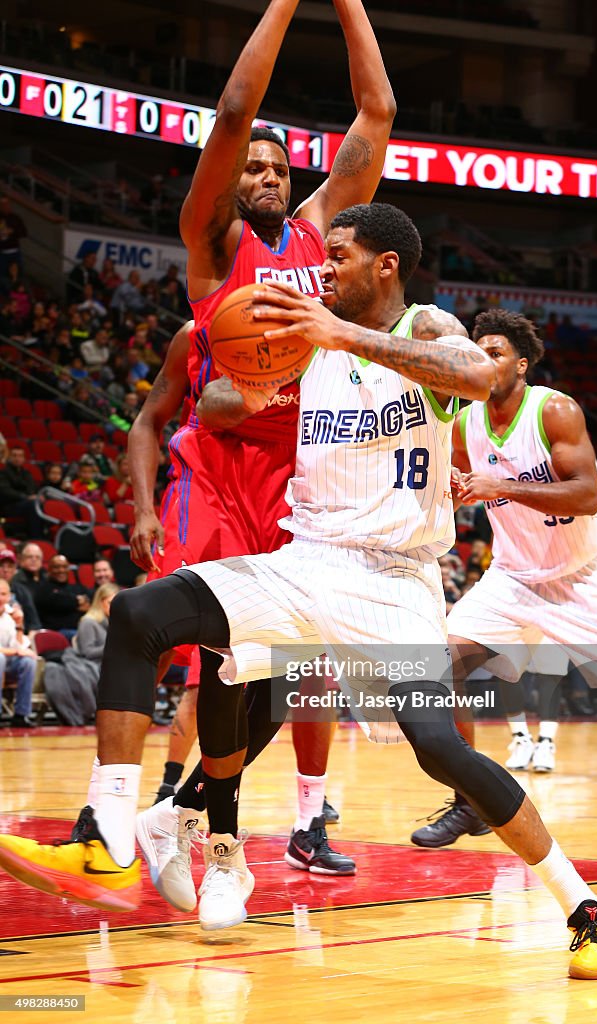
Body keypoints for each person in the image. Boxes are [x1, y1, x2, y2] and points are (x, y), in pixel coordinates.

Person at [0, 205, 597, 981]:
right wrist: (247, 373)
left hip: (395, 582)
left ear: (385, 266)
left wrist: (336, 336)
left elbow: (477, 376)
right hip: (305, 560)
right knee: (140, 612)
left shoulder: (429, 326)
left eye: (337, 257)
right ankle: (108, 837)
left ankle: (586, 908)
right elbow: (222, 404)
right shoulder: (311, 340)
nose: (322, 271)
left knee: (439, 749)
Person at [130, 0, 395, 886]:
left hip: (306, 474)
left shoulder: (322, 234)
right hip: (228, 468)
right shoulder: (214, 240)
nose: (266, 175)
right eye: (251, 168)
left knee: (293, 670)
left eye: (279, 168)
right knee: (225, 659)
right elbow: (237, 109)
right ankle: (169, 816)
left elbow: (377, 116)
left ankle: (191, 814)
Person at [412, 308, 597, 851]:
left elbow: (585, 494)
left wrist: (500, 486)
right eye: (477, 351)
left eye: (495, 352)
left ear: (523, 363)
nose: (483, 361)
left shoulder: (554, 410)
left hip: (583, 580)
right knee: (436, 671)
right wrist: (459, 487)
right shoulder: (465, 423)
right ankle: (474, 801)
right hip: (513, 579)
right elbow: (465, 482)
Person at [43, 583, 119, 727]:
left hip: (106, 664)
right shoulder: (88, 622)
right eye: (110, 603)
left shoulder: (112, 621)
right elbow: (87, 652)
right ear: (100, 602)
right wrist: (115, 647)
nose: (114, 607)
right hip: (90, 664)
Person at [0, 578, 37, 728]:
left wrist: (19, 626)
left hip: (7, 662)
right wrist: (16, 651)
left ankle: (21, 715)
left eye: (3, 594)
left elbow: (20, 646)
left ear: (9, 597)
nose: (0, 598)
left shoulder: (10, 616)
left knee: (28, 662)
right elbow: (15, 650)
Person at [34, 555, 91, 639]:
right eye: (56, 567)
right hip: (57, 633)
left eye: (64, 567)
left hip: (79, 630)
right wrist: (77, 601)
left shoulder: (77, 587)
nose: (61, 570)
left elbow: (90, 602)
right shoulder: (43, 588)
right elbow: (57, 602)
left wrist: (66, 604)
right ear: (49, 570)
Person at [0, 445, 39, 537]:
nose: (17, 458)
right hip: (9, 506)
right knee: (32, 505)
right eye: (14, 455)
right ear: (9, 457)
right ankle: (36, 537)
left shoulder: (26, 473)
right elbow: (5, 491)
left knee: (42, 503)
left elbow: (32, 488)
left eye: (20, 456)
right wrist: (26, 497)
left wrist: (36, 496)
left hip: (26, 503)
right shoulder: (3, 472)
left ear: (24, 458)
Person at [0, 547, 41, 634]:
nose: (5, 570)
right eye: (1, 566)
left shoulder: (22, 590)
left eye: (10, 566)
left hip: (20, 636)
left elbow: (33, 623)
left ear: (15, 570)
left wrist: (30, 640)